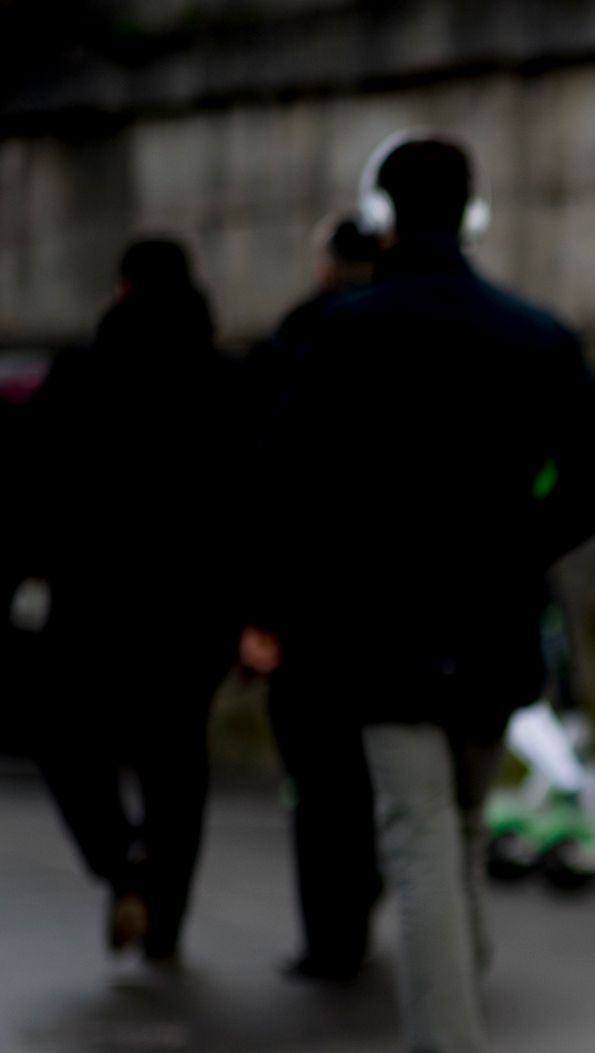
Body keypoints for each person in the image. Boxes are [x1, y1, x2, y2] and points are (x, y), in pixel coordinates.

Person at [261, 135, 595, 1053]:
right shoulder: (536, 336)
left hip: (382, 635)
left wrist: (306, 589)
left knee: (419, 848)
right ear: (473, 214)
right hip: (495, 628)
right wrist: (518, 542)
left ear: (382, 212)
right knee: (456, 842)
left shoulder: (345, 332)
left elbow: (282, 477)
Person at [0, 238, 243, 965]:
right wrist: (256, 611)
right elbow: (250, 500)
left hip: (94, 604)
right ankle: (163, 918)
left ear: (123, 287)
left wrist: (2, 585)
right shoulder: (225, 382)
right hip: (197, 611)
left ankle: (120, 860)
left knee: (65, 736)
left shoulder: (83, 374)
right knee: (176, 760)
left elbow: (24, 489)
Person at [245, 218, 384, 983]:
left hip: (305, 592)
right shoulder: (407, 341)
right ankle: (361, 893)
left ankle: (327, 931)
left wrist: (258, 607)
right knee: (374, 765)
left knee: (315, 772)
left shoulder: (295, 344)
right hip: (388, 593)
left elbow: (264, 480)